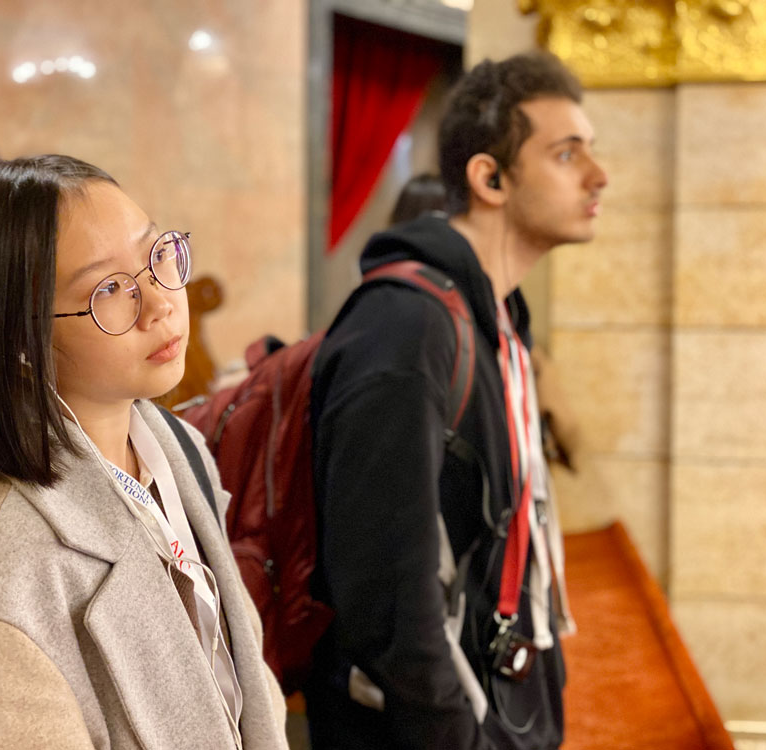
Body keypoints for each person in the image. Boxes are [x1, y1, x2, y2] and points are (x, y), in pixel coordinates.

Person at [0, 155, 288, 749]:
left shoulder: (177, 447)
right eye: (109, 288)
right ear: (20, 339)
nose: (161, 302)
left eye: (156, 255)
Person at [305, 51, 607, 749]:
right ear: (490, 177)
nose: (599, 175)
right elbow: (385, 595)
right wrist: (457, 735)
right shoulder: (406, 328)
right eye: (568, 154)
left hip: (497, 696)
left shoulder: (496, 316)